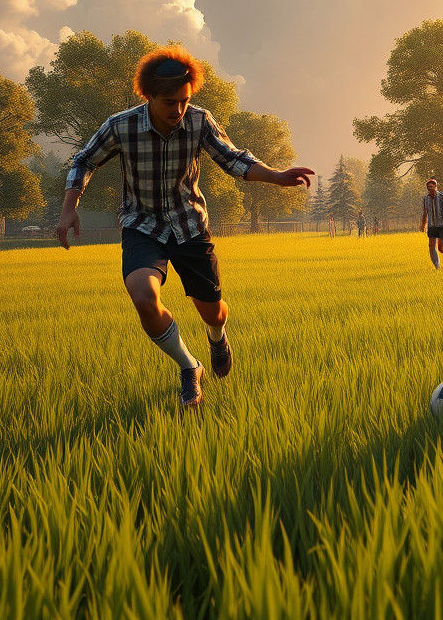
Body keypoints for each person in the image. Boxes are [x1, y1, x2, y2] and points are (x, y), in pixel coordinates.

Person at [55, 46, 313, 409]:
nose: (178, 110)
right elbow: (83, 160)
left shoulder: (198, 120)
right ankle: (189, 367)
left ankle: (217, 336)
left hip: (190, 225)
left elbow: (232, 159)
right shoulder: (121, 125)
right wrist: (69, 208)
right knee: (144, 297)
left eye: (184, 101)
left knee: (213, 310)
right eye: (169, 102)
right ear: (148, 96)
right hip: (141, 224)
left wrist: (276, 176)